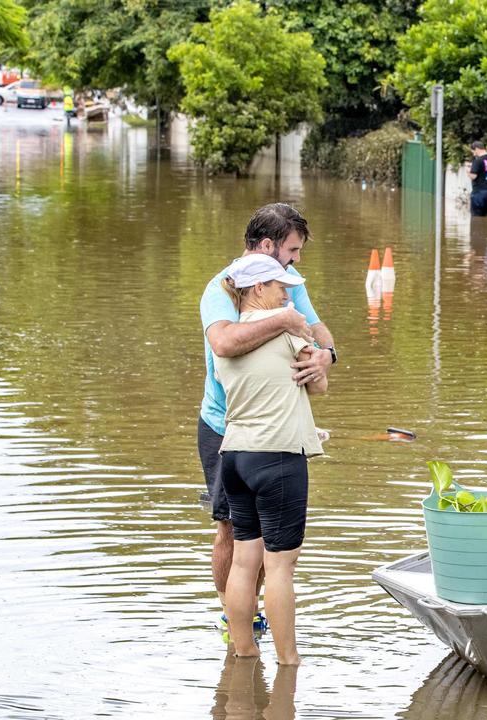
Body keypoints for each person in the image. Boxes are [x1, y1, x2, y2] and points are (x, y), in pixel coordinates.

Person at [199, 203, 336, 632]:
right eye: (292, 250)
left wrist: (326, 358)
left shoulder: (287, 287)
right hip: (225, 427)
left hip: (280, 430)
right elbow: (223, 343)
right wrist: (283, 321)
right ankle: (234, 622)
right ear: (265, 246)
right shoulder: (219, 290)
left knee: (265, 546)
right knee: (232, 533)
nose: (296, 261)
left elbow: (320, 333)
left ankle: (253, 627)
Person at [215, 253, 327, 663]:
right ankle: (288, 664)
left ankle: (242, 654)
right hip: (278, 458)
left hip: (235, 456)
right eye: (281, 287)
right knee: (279, 568)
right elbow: (317, 386)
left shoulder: (224, 339)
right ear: (258, 289)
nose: (287, 295)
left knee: (245, 561)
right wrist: (321, 361)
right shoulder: (286, 334)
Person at [468, 141, 487, 216]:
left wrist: (468, 171)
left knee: (476, 218)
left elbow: (473, 176)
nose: (473, 154)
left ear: (477, 149)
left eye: (473, 151)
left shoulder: (478, 161)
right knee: (485, 217)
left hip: (479, 192)